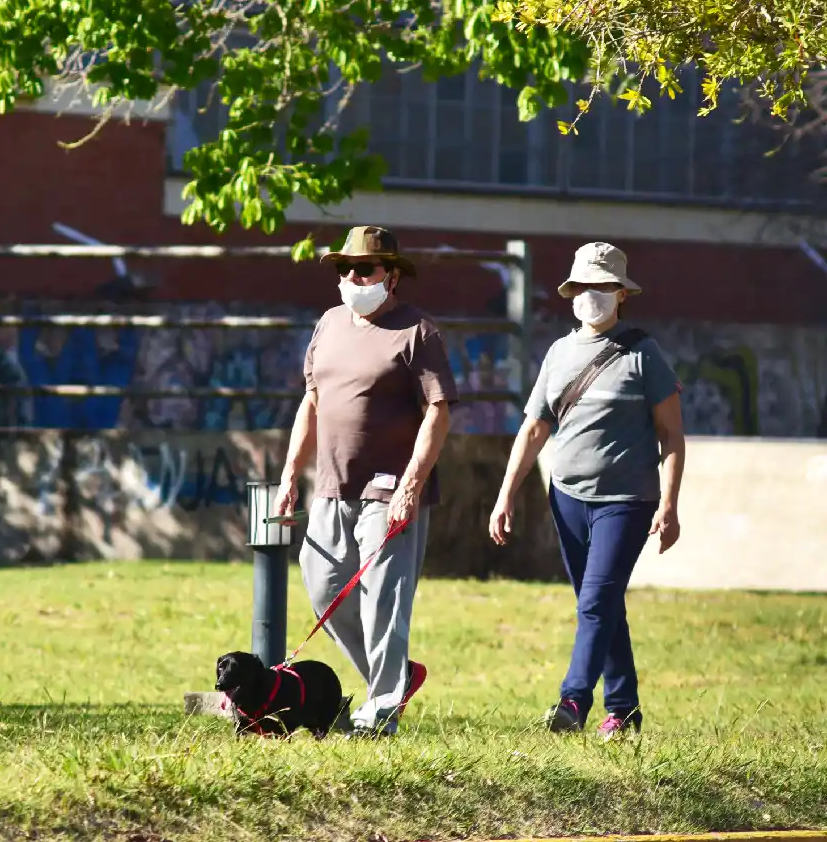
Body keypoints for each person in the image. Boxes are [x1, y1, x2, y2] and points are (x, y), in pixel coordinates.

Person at [488, 241, 685, 740]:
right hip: (567, 498)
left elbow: (672, 436)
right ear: (571, 292)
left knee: (595, 603)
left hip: (627, 501)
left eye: (602, 287)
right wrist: (506, 494)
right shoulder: (558, 352)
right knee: (603, 602)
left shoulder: (643, 353)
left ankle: (572, 701)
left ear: (621, 294)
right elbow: (534, 428)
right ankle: (624, 709)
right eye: (583, 287)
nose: (591, 295)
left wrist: (669, 503)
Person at [276, 225, 459, 738]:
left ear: (392, 276)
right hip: (332, 485)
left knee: (384, 598)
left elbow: (440, 410)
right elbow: (311, 402)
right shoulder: (329, 324)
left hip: (391, 489)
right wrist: (292, 471)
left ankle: (381, 711)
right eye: (345, 269)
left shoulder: (418, 331)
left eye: (365, 269)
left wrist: (410, 485)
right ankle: (395, 678)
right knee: (322, 583)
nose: (353, 277)